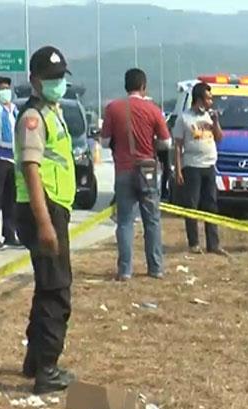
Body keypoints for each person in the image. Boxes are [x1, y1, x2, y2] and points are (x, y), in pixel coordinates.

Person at [14, 46, 77, 394]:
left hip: (54, 208)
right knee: (56, 290)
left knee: (46, 286)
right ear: (35, 80)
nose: (57, 84)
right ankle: (48, 369)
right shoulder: (33, 118)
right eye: (50, 79)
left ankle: (36, 360)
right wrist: (44, 224)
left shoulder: (52, 113)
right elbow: (32, 171)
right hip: (44, 209)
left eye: (60, 78)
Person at [101, 69, 171, 281]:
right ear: (144, 86)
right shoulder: (153, 109)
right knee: (152, 221)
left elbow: (104, 142)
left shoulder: (113, 108)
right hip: (147, 169)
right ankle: (156, 268)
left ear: (125, 86)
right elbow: (166, 142)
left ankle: (125, 270)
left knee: (124, 221)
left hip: (123, 169)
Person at [173, 82, 227, 255]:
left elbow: (219, 138)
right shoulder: (185, 118)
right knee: (192, 205)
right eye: (208, 98)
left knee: (211, 204)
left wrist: (216, 122)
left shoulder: (210, 117)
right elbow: (178, 146)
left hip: (209, 165)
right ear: (199, 99)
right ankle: (194, 243)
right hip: (192, 166)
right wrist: (178, 170)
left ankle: (214, 244)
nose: (211, 101)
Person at [0, 76, 20, 248]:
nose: (5, 92)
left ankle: (9, 233)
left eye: (7, 88)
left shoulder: (14, 110)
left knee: (11, 199)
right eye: (1, 89)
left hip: (13, 158)